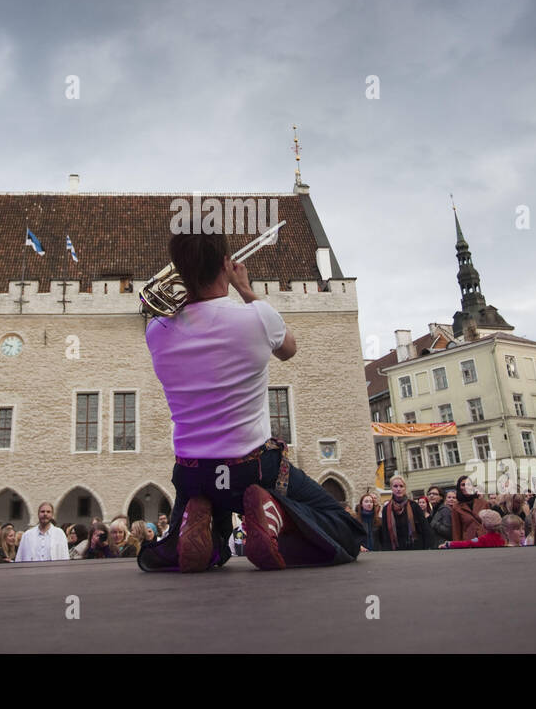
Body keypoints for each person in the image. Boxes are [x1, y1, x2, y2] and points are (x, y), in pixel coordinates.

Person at [138, 230, 365, 572]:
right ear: (225, 267)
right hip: (252, 469)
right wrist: (246, 290)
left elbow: (185, 315)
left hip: (192, 472)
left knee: (187, 553)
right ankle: (275, 518)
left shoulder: (157, 331)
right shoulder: (258, 318)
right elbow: (289, 350)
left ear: (181, 272)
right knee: (345, 530)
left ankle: (199, 522)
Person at [378, 474, 434, 551]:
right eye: (395, 486)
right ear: (391, 488)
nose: (398, 489)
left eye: (401, 486)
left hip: (415, 548)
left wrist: (427, 547)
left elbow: (425, 528)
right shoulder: (386, 509)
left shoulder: (414, 506)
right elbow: (385, 533)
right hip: (395, 550)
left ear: (405, 488)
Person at [448, 476, 489, 544]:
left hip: (485, 540)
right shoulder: (456, 507)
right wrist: (457, 546)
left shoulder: (483, 503)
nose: (466, 487)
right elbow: (456, 531)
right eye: (463, 485)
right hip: (469, 543)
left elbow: (491, 525)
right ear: (459, 488)